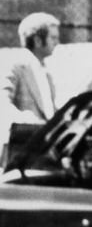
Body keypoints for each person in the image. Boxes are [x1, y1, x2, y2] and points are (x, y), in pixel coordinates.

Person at [1, 14, 59, 168]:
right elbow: (2, 103)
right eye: (53, 38)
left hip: (42, 152)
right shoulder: (15, 65)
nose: (57, 42)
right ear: (38, 40)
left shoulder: (46, 73)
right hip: (20, 154)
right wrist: (24, 119)